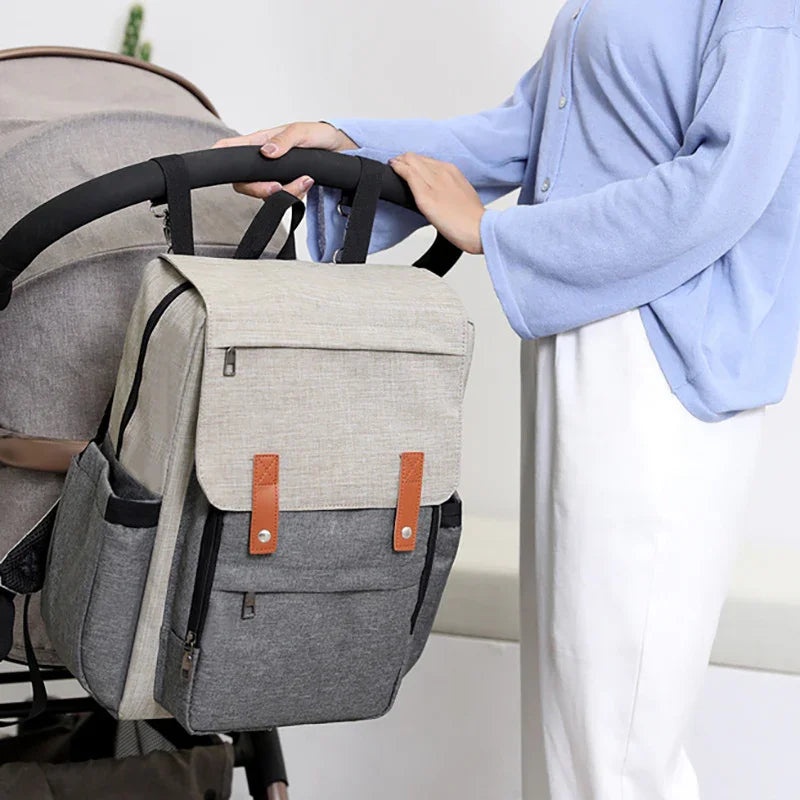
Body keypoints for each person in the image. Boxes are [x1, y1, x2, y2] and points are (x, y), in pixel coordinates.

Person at [215, 0, 800, 796]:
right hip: (579, 333)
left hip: (663, 356)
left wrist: (495, 234)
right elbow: (528, 130)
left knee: (615, 748)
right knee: (570, 727)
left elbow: (722, 188)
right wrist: (344, 144)